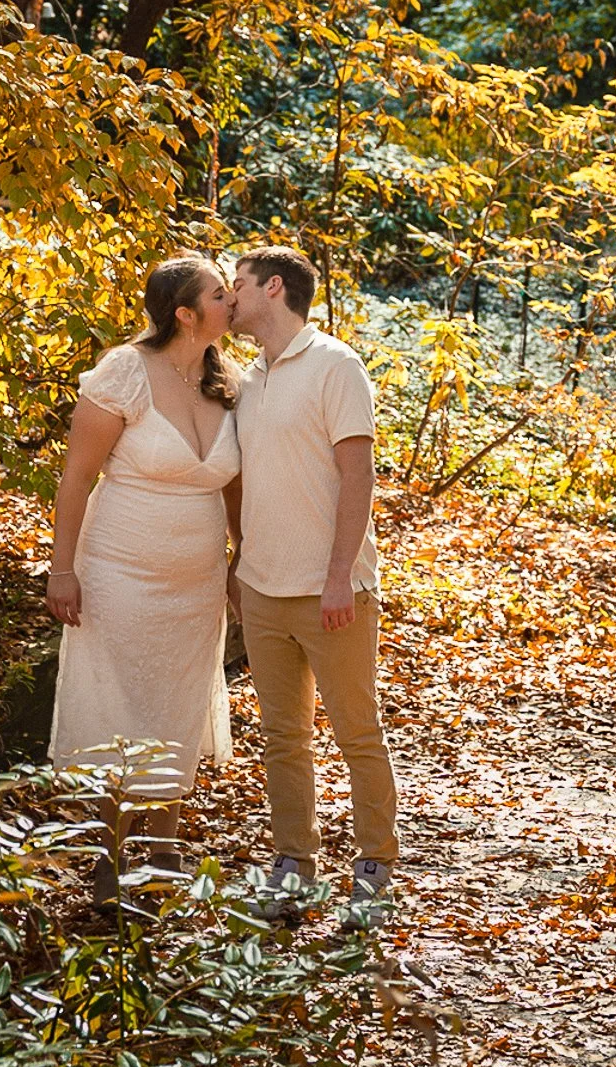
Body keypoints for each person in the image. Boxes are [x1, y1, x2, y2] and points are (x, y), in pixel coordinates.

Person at [46, 255, 240, 904]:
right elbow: (76, 478)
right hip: (119, 572)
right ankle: (106, 858)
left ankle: (163, 852)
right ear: (184, 314)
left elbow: (235, 484)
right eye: (219, 293)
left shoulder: (227, 380)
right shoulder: (124, 372)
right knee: (114, 707)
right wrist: (62, 569)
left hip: (197, 583)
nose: (232, 300)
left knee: (177, 706)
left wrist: (241, 562)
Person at [227, 243, 398, 916]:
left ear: (272, 288)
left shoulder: (336, 365)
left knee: (358, 732)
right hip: (263, 589)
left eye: (236, 283)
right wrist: (238, 565)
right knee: (283, 737)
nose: (228, 295)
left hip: (334, 591)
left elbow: (359, 475)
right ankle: (295, 864)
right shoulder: (248, 378)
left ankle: (375, 867)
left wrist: (337, 576)